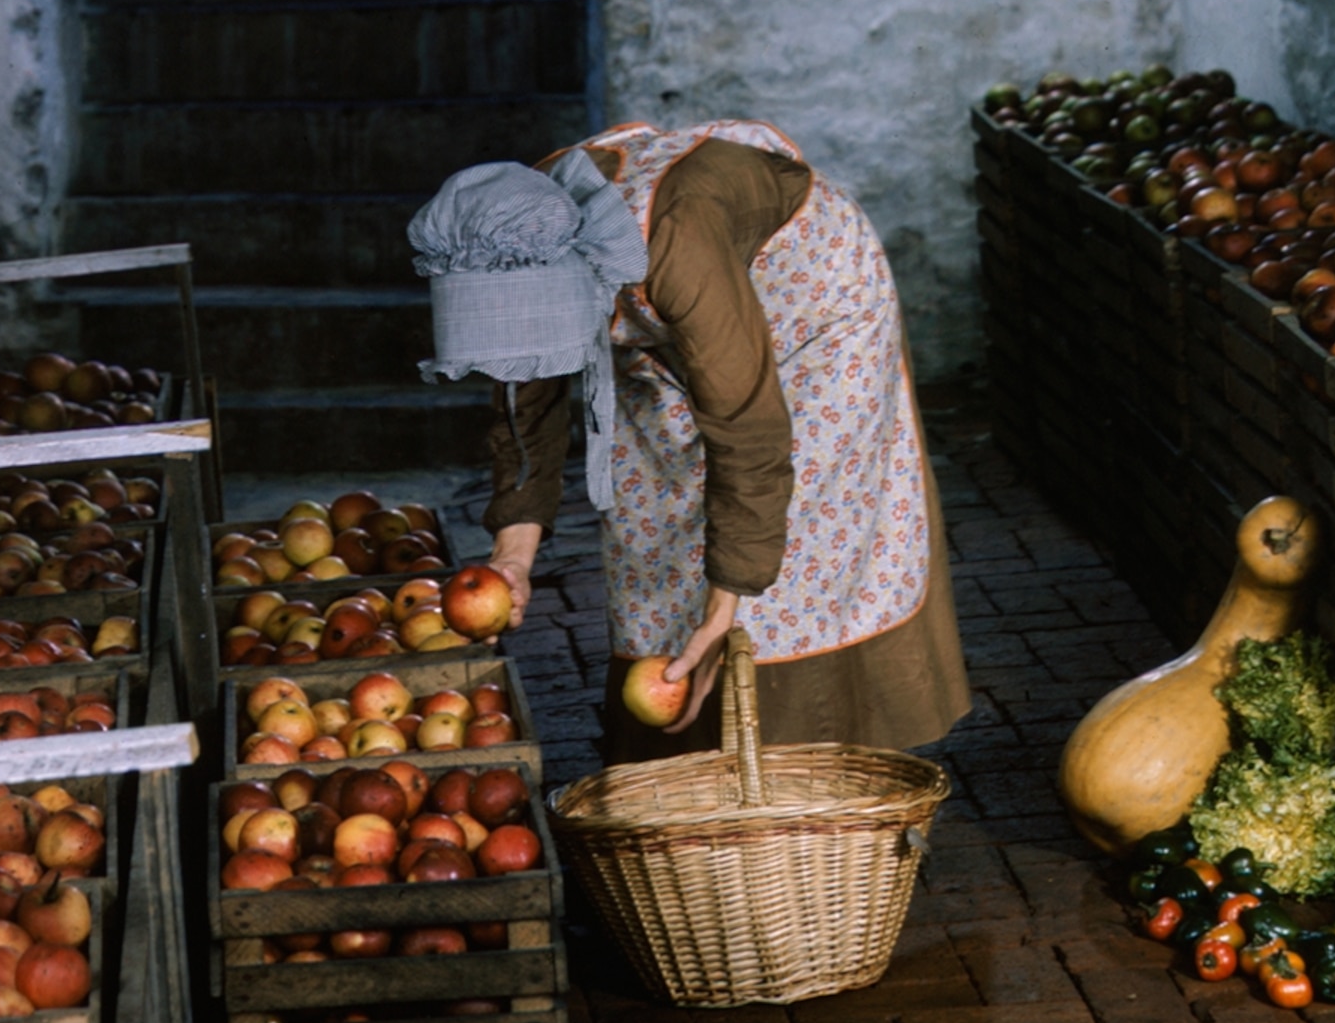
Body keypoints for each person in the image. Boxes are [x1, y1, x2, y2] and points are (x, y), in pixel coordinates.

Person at [409, 118, 966, 763]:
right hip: (674, 312)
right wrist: (513, 556)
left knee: (780, 561)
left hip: (810, 308)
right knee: (657, 525)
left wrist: (725, 602)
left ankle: (808, 770)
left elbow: (749, 430)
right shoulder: (515, 227)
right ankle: (678, 766)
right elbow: (525, 403)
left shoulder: (674, 237)